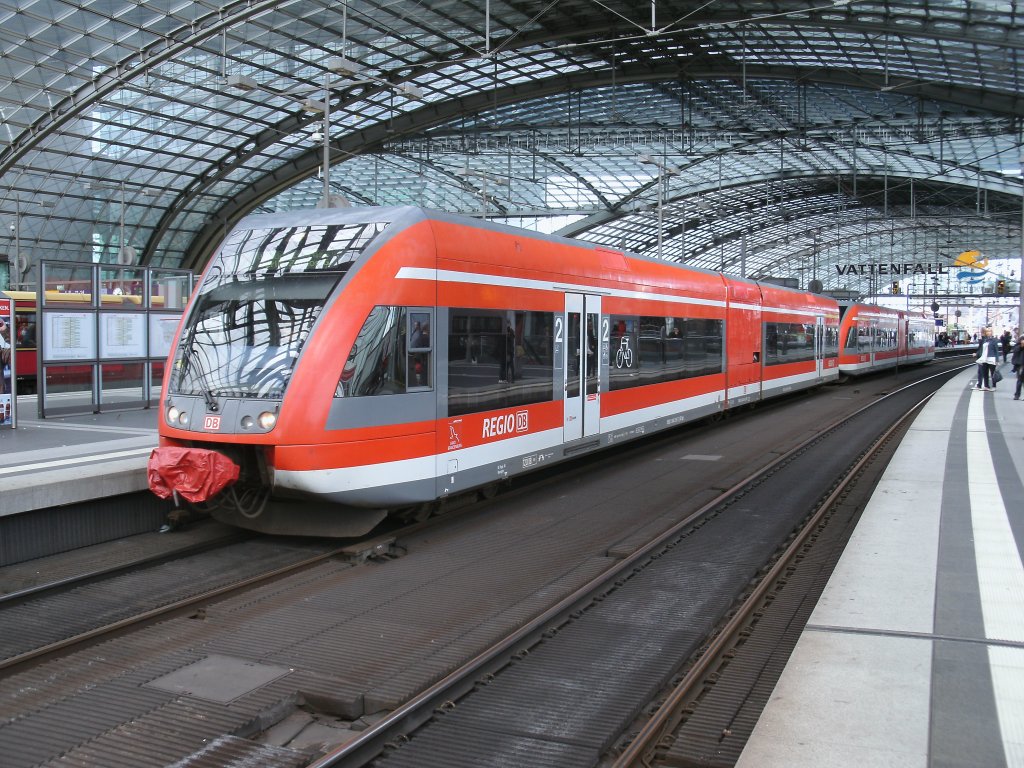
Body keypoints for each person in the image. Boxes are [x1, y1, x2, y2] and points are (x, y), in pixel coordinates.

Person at [1012, 335, 1024, 401]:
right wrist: (1021, 346)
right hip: (1021, 364)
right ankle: (1017, 395)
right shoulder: (1021, 339)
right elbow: (1015, 350)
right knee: (1020, 380)